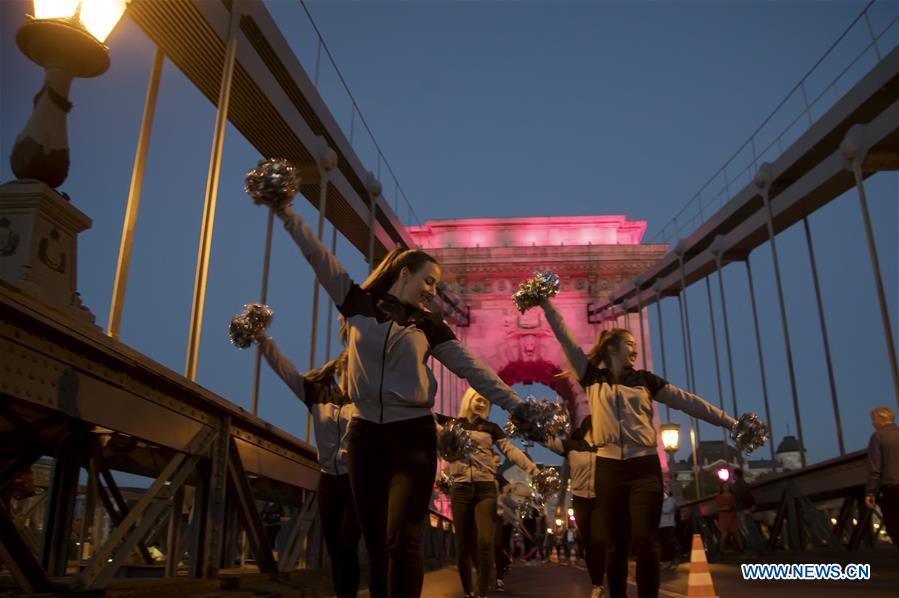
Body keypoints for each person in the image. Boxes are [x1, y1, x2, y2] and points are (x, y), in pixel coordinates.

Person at [272, 203, 524, 598]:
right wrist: (285, 211)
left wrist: (517, 405)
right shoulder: (356, 304)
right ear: (404, 273)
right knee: (375, 547)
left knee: (402, 540)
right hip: (365, 436)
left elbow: (473, 368)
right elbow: (318, 257)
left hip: (414, 436)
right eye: (429, 281)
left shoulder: (429, 326)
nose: (433, 291)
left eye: (437, 286)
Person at [539, 298, 742, 598]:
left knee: (646, 541)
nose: (634, 349)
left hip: (644, 467)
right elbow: (565, 336)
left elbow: (688, 402)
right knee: (616, 544)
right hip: (608, 470)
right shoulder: (592, 379)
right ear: (612, 349)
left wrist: (730, 423)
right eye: (629, 344)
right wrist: (544, 302)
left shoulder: (646, 381)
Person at [255, 335, 361, 597]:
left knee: (348, 545)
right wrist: (263, 340)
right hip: (328, 481)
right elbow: (287, 372)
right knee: (335, 550)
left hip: (357, 482)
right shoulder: (317, 394)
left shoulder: (368, 401)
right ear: (342, 367)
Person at [440, 390, 540, 598]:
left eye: (485, 401)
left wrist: (533, 469)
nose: (481, 404)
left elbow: (510, 450)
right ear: (468, 400)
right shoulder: (453, 424)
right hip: (461, 488)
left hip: (485, 488)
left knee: (485, 542)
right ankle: (468, 591)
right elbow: (426, 419)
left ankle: (483, 592)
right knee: (463, 547)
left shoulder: (491, 428)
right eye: (477, 399)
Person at [544, 415, 606, 598]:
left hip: (600, 499)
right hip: (580, 501)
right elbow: (547, 441)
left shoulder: (606, 448)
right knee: (589, 543)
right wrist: (551, 425)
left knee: (600, 540)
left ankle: (603, 575)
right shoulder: (571, 445)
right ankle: (597, 584)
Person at [865, 406, 899, 551]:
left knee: (894, 525)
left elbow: (875, 469)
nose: (872, 423)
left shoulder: (877, 437)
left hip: (892, 488)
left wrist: (870, 493)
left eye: (874, 419)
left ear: (881, 419)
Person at [715, 484, 741, 553]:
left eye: (727, 486)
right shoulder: (719, 497)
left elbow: (736, 504)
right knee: (724, 534)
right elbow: (717, 507)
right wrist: (724, 508)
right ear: (722, 487)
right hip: (723, 517)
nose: (726, 487)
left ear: (729, 487)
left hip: (732, 516)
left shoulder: (732, 496)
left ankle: (741, 549)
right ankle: (721, 551)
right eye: (724, 486)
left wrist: (733, 507)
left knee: (737, 533)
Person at [659, 488, 677, 569]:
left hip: (668, 525)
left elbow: (667, 510)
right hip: (661, 525)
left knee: (668, 543)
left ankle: (670, 561)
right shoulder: (662, 502)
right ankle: (664, 561)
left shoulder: (671, 500)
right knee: (663, 543)